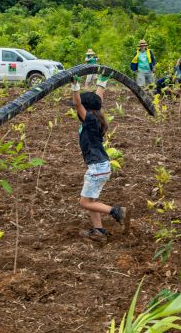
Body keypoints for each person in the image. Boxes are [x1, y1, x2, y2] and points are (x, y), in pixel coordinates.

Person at [71, 74, 129, 243]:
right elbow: (97, 99)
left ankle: (117, 211)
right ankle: (99, 230)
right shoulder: (96, 116)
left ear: (85, 110)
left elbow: (77, 103)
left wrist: (75, 85)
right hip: (101, 166)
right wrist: (102, 82)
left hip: (96, 168)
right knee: (92, 199)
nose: (77, 110)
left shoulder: (89, 120)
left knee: (85, 202)